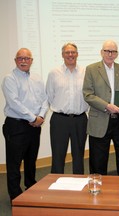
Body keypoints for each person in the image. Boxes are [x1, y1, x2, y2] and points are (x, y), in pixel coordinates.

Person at [2, 48, 48, 201]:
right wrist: (33, 118)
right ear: (15, 61)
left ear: (31, 61)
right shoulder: (10, 78)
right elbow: (14, 103)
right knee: (14, 163)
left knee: (31, 160)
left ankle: (31, 186)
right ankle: (15, 195)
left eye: (27, 58)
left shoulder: (37, 78)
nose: (23, 61)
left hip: (34, 126)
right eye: (20, 58)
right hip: (16, 126)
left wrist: (40, 116)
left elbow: (44, 99)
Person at [83, 40, 119, 176]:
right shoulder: (91, 69)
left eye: (113, 51)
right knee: (98, 161)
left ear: (117, 54)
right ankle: (98, 191)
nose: (110, 54)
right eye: (107, 51)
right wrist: (107, 106)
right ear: (101, 52)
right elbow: (88, 94)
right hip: (100, 120)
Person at [46, 43, 89, 174]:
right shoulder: (54, 73)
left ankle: (79, 183)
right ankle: (56, 186)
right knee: (58, 156)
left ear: (77, 54)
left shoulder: (85, 72)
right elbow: (49, 96)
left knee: (79, 156)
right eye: (67, 52)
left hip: (80, 119)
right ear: (62, 55)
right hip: (60, 120)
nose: (70, 55)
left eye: (73, 52)